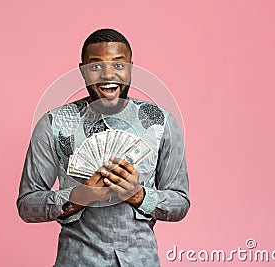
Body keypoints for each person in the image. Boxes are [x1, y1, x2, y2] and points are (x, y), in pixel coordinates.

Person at [17, 28, 190, 266]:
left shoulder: (161, 122)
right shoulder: (53, 124)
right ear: (83, 72)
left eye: (118, 65)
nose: (108, 74)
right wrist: (81, 196)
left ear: (130, 68)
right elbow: (27, 205)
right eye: (95, 66)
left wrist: (138, 195)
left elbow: (180, 203)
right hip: (76, 259)